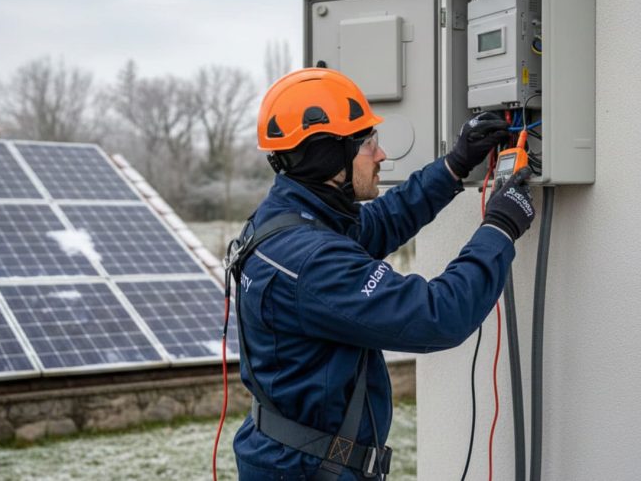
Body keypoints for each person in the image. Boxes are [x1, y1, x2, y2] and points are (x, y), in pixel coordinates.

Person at [229, 68, 536, 480]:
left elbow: (380, 222)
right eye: (368, 143)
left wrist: (455, 165)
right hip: (307, 470)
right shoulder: (311, 262)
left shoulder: (291, 219)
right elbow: (437, 315)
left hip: (295, 460)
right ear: (329, 157)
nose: (381, 155)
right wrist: (499, 228)